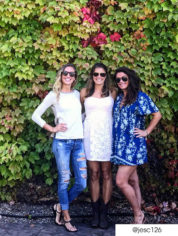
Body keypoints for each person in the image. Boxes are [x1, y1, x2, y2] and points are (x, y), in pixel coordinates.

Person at [32, 64, 87, 232]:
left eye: (72, 74)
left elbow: (80, 115)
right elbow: (35, 115)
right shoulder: (53, 95)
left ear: (75, 77)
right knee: (64, 180)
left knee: (82, 183)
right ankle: (66, 216)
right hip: (62, 143)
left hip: (79, 142)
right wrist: (52, 128)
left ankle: (59, 206)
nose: (68, 76)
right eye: (66, 73)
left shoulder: (78, 94)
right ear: (61, 75)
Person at [110, 67, 162, 224]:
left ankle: (138, 213)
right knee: (133, 181)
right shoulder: (119, 97)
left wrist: (146, 131)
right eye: (118, 79)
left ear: (130, 79)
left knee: (120, 181)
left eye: (124, 79)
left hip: (133, 146)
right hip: (120, 146)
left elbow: (157, 114)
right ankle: (139, 219)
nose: (121, 82)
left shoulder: (139, 97)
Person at [80, 63, 116, 229]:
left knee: (107, 173)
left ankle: (104, 213)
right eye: (96, 74)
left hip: (107, 136)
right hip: (90, 137)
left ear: (106, 75)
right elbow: (78, 114)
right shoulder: (84, 93)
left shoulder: (112, 93)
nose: (99, 77)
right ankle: (95, 213)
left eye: (102, 74)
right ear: (92, 75)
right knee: (93, 174)